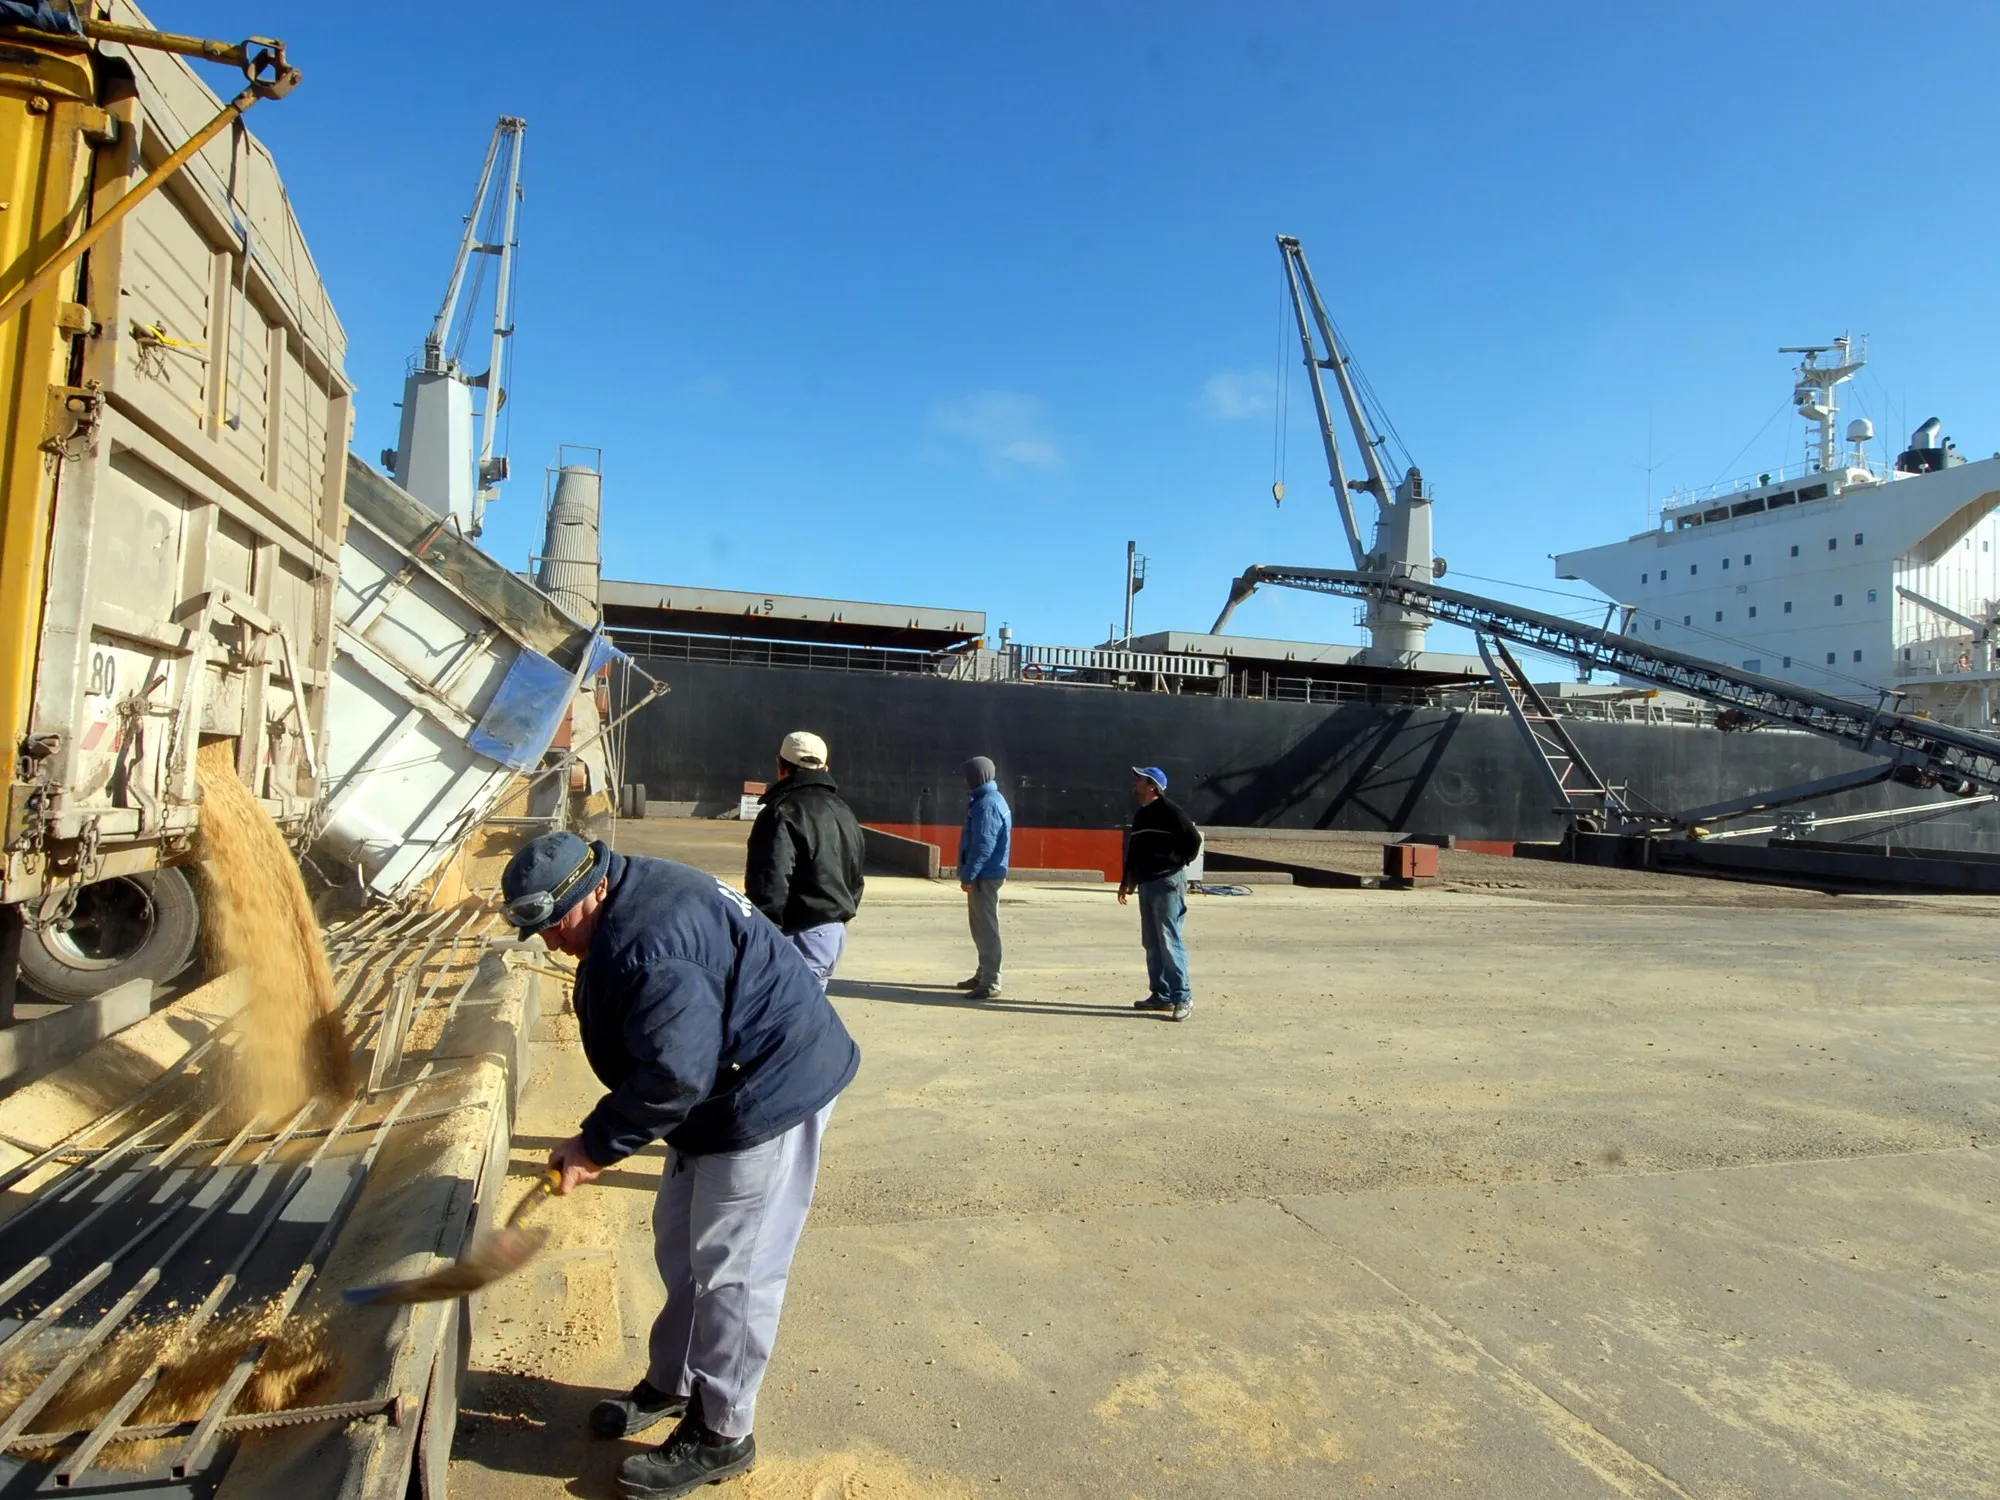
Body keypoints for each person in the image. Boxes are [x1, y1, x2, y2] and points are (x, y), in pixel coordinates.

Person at [503, 829, 860, 1500]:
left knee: (734, 1269)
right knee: (679, 1238)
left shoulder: (651, 945)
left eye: (556, 923)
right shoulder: (624, 901)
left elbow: (674, 1076)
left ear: (591, 887)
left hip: (768, 1089)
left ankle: (724, 1431)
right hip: (718, 1086)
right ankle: (676, 1381)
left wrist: (594, 1146)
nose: (550, 940)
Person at [745, 730, 866, 988]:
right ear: (825, 768)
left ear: (781, 765)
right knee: (807, 1009)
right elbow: (856, 878)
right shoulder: (844, 812)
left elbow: (770, 883)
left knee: (783, 1010)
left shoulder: (781, 812)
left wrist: (761, 939)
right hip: (832, 935)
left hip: (798, 935)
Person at [1117, 765, 1201, 1022]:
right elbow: (1135, 851)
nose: (1134, 783)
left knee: (1169, 940)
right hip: (1146, 883)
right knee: (1152, 942)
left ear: (1152, 786)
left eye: (1140, 779)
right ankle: (1161, 995)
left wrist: (1176, 862)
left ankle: (1183, 997)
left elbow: (1193, 840)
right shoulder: (1141, 816)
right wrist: (1127, 881)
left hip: (1167, 882)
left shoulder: (1171, 812)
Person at [956, 755, 1011, 999]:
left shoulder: (986, 805)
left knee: (986, 929)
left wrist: (968, 875)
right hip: (986, 874)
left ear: (977, 776)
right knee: (980, 927)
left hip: (984, 876)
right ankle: (983, 974)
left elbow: (983, 846)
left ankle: (990, 982)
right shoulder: (989, 799)